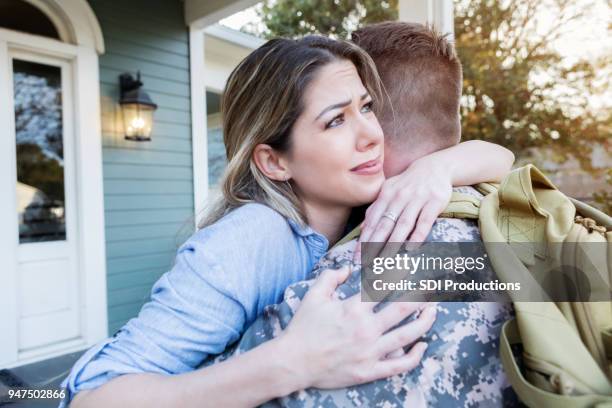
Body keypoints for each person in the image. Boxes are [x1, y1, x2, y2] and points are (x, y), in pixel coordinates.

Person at [61, 35, 513, 408]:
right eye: (336, 121)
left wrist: (436, 169)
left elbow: (502, 158)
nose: (371, 134)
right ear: (275, 162)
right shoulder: (251, 238)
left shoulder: (364, 204)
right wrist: (290, 362)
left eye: (367, 107)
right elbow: (89, 397)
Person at [203, 22, 518, 407]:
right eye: (337, 118)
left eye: (364, 108)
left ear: (375, 128)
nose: (363, 131)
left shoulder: (347, 282)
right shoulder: (519, 228)